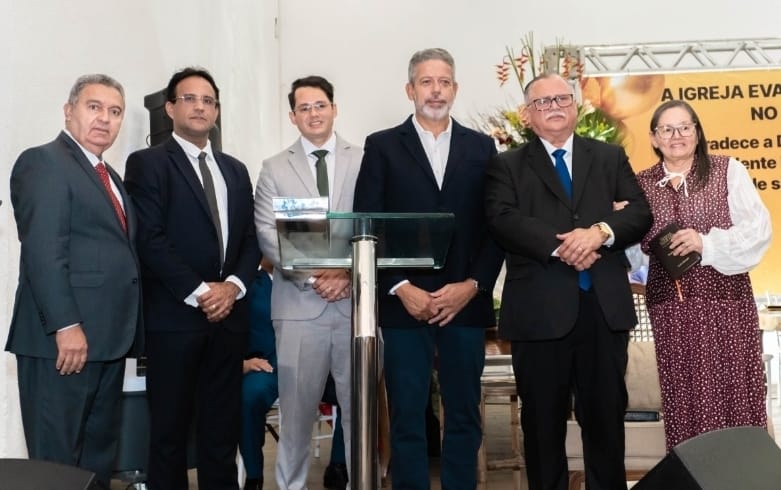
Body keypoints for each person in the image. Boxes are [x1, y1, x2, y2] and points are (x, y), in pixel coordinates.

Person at [484, 73, 652, 490]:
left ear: (576, 105)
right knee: (542, 428)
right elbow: (502, 219)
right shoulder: (507, 164)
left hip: (603, 311)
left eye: (562, 98)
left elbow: (638, 212)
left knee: (606, 424)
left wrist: (599, 233)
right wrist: (564, 247)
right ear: (527, 114)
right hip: (539, 315)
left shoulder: (609, 156)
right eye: (543, 102)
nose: (554, 107)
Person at [353, 48, 504, 489]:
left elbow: (496, 227)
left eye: (443, 82)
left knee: (464, 415)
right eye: (426, 82)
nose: (435, 90)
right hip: (405, 305)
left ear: (455, 89)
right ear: (410, 90)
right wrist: (400, 286)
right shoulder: (381, 146)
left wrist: (473, 285)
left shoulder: (482, 147)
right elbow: (367, 226)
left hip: (465, 304)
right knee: (406, 416)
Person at [124, 67, 259, 490]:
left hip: (228, 320)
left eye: (208, 101)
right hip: (175, 319)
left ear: (216, 111)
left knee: (221, 433)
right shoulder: (148, 163)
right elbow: (149, 238)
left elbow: (251, 239)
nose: (200, 107)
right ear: (170, 108)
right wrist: (201, 292)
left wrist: (233, 287)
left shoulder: (235, 170)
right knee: (169, 434)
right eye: (189, 98)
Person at [7, 73, 143, 487]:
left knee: (96, 460)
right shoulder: (44, 162)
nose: (105, 118)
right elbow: (43, 253)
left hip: (107, 342)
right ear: (69, 111)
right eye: (94, 107)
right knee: (57, 465)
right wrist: (66, 325)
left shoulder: (109, 175)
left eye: (115, 111)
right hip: (62, 344)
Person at [636, 100, 771, 450]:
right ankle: (692, 474)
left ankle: (741, 474)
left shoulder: (728, 170)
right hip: (671, 312)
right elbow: (633, 254)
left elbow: (758, 231)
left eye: (685, 127)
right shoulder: (640, 185)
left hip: (726, 306)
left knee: (734, 393)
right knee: (684, 398)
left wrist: (705, 243)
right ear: (653, 138)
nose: (676, 136)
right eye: (666, 129)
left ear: (697, 132)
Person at [254, 75, 361, 489]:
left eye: (320, 105)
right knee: (296, 415)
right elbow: (267, 234)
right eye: (304, 108)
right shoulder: (274, 168)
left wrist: (348, 273)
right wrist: (317, 276)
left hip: (356, 307)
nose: (313, 114)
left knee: (360, 414)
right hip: (298, 308)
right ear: (292, 116)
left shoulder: (364, 160)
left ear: (334, 109)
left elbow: (376, 224)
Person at [240, 257, 278, 490]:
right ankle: (253, 475)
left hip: (312, 364)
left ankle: (338, 466)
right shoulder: (247, 283)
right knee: (249, 396)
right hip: (265, 366)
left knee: (355, 388)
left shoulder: (311, 280)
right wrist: (242, 363)